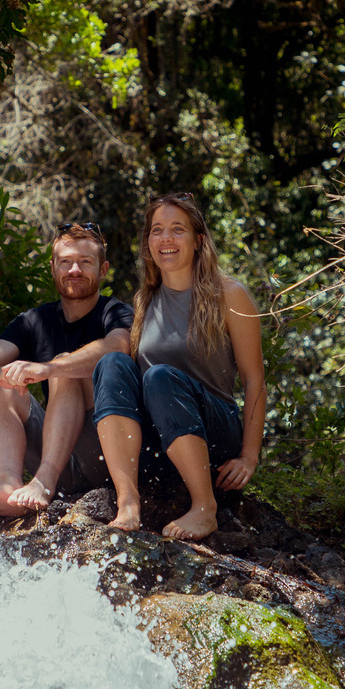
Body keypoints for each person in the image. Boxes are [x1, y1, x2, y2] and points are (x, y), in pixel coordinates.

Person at [93, 193, 266, 540]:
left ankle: (205, 508)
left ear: (198, 240)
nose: (166, 239)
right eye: (157, 230)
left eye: (177, 229)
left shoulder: (228, 294)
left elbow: (254, 379)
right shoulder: (145, 300)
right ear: (148, 243)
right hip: (161, 438)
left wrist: (249, 457)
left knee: (159, 377)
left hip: (215, 429)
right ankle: (128, 501)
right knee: (112, 363)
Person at [0, 222, 133, 516]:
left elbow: (117, 347)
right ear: (53, 268)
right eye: (65, 262)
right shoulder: (35, 320)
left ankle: (44, 483)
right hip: (58, 448)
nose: (74, 270)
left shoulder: (116, 312)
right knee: (2, 380)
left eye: (85, 262)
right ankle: (9, 486)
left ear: (103, 270)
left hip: (104, 454)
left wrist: (49, 368)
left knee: (65, 366)